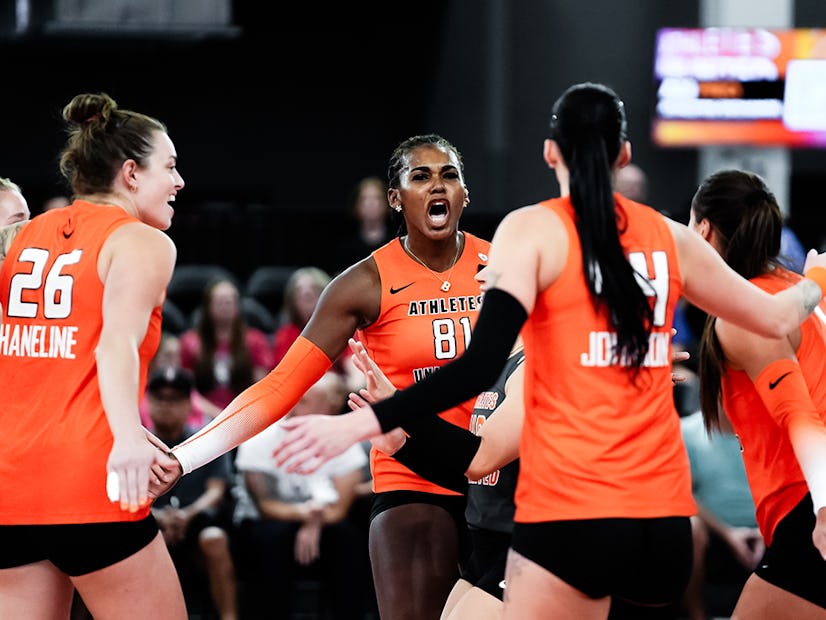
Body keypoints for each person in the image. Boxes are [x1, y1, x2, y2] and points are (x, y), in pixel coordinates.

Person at [266, 82, 826, 620]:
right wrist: (816, 281)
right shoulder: (669, 236)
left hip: (578, 517)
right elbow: (777, 313)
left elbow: (477, 368)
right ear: (625, 153)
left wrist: (369, 422)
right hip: (663, 527)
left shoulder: (532, 232)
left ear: (549, 154)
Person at [153, 134, 491, 620]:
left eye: (449, 175)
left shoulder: (500, 264)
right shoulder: (364, 283)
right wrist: (185, 458)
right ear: (395, 198)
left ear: (463, 193)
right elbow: (280, 386)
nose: (437, 185)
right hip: (413, 476)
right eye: (420, 176)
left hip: (497, 473)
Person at [0, 92, 184, 618]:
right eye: (168, 167)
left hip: (11, 488)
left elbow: (58, 364)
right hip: (91, 481)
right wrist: (128, 437)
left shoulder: (21, 239)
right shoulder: (142, 241)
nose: (179, 182)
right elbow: (114, 344)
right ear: (130, 173)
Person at [690, 169, 826, 618]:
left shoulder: (748, 313)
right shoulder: (800, 292)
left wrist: (823, 510)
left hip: (808, 507)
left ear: (704, 230)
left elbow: (798, 415)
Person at [347, 335, 524, 620]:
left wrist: (399, 404)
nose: (480, 288)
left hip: (526, 543)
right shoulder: (500, 359)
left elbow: (480, 459)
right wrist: (401, 449)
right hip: (485, 546)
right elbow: (475, 477)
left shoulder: (534, 364)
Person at [232, 371, 369, 619]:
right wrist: (307, 515)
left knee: (346, 539)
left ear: (329, 405)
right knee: (273, 539)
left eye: (304, 399)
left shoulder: (346, 442)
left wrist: (315, 521)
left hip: (324, 522)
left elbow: (339, 510)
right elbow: (265, 505)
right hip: (266, 523)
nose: (294, 404)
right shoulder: (259, 438)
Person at [147, 366, 238, 620]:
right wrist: (157, 515)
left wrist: (187, 514)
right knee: (145, 543)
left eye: (174, 399)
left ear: (189, 404)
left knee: (214, 538)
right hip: (148, 520)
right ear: (148, 402)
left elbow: (216, 492)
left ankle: (229, 616)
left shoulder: (205, 439)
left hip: (197, 519)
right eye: (159, 398)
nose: (166, 406)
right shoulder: (138, 444)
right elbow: (121, 495)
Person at [679, 408, 764, 620]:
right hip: (713, 530)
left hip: (768, 527)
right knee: (689, 527)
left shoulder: (770, 428)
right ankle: (696, 615)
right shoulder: (686, 430)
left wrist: (767, 530)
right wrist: (728, 533)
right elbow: (682, 492)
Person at [179, 276, 275, 411]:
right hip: (203, 412)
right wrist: (213, 413)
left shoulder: (255, 341)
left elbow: (261, 386)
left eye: (229, 302)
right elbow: (186, 390)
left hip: (242, 410)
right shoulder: (191, 342)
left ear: (237, 306)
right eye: (219, 302)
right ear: (208, 307)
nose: (225, 307)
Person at [329, 175, 396, 276]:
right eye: (364, 199)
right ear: (356, 206)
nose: (371, 203)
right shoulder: (345, 249)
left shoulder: (399, 244)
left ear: (388, 205)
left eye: (377, 198)